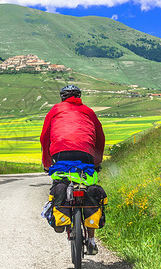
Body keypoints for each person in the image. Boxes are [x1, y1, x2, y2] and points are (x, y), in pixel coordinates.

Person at [40, 85, 105, 255]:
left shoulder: (55, 110)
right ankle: (91, 240)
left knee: (61, 181)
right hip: (86, 154)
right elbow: (100, 138)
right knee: (88, 189)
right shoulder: (88, 112)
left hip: (60, 153)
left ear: (62, 98)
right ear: (79, 97)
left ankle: (62, 217)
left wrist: (47, 163)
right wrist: (96, 161)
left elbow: (44, 138)